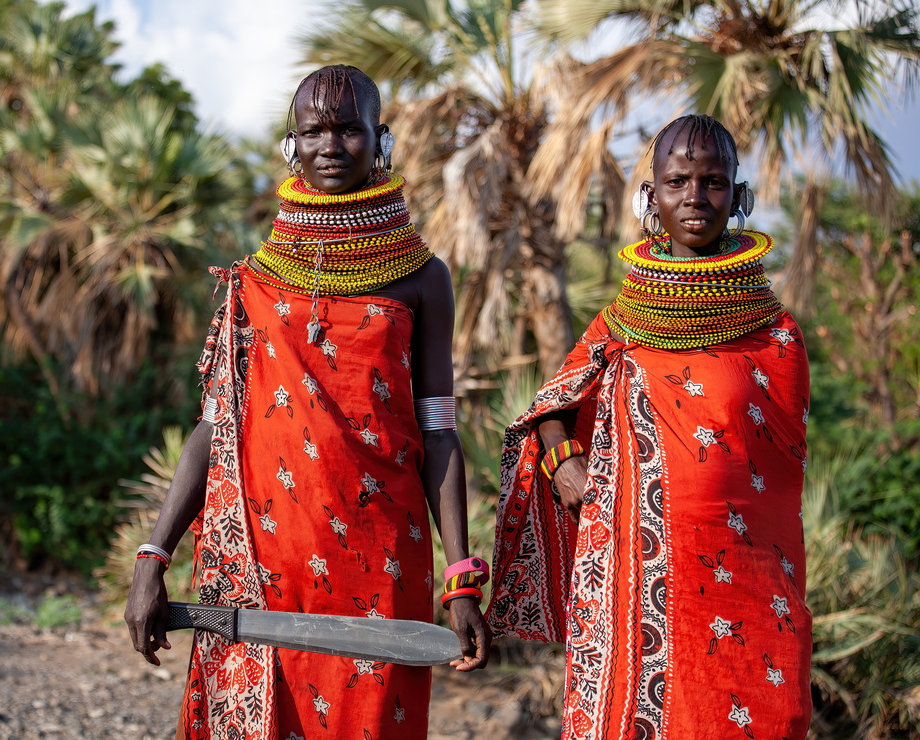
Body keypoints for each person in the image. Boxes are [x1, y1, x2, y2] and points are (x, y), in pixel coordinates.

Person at [125, 64, 490, 740]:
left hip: (383, 562)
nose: (330, 144)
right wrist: (154, 554)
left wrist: (461, 579)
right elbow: (215, 427)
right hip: (263, 567)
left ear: (380, 139)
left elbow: (440, 433)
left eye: (349, 128)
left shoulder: (422, 276)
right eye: (313, 130)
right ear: (291, 145)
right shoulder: (255, 280)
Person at [487, 115, 811, 739]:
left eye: (714, 182)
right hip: (636, 579)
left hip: (750, 580)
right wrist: (564, 464)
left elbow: (780, 475)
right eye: (678, 181)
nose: (695, 197)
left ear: (739, 196)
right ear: (650, 197)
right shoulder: (620, 324)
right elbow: (550, 409)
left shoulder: (778, 334)